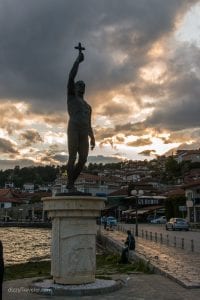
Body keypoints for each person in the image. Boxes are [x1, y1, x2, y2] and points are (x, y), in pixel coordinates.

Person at [66, 50, 95, 192]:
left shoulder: (88, 106)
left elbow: (89, 123)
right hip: (73, 129)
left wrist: (93, 137)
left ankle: (71, 183)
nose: (82, 87)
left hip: (84, 132)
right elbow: (71, 76)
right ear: (75, 87)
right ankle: (70, 185)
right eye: (79, 85)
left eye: (84, 85)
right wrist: (78, 60)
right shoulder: (72, 98)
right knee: (72, 157)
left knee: (83, 159)